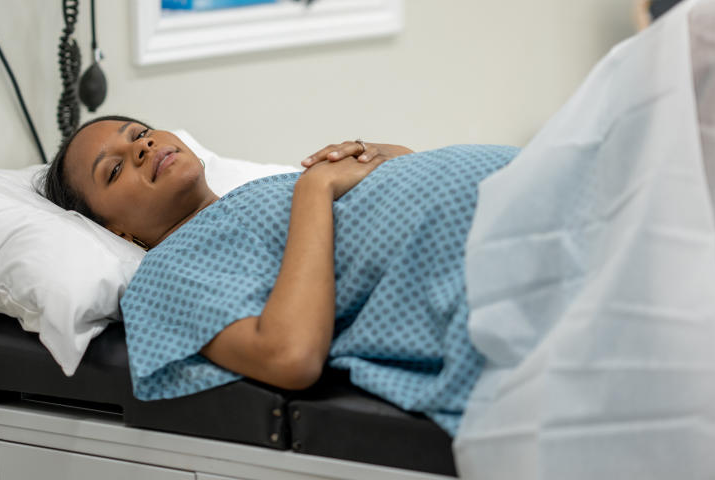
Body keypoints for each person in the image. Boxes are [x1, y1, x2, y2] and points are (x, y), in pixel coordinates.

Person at [42, 116, 518, 433]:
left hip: (526, 191)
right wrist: (316, 190)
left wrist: (380, 156)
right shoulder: (165, 275)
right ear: (119, 233)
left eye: (138, 132)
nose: (142, 147)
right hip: (499, 258)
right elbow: (289, 357)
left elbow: (395, 200)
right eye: (115, 169)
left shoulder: (260, 192)